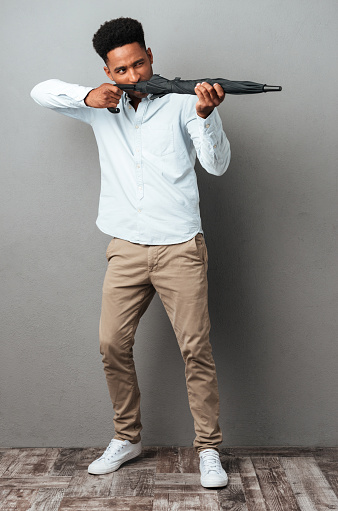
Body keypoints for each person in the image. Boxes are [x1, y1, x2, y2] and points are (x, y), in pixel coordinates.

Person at [30, 16, 231, 488]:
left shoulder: (186, 101)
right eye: (121, 70)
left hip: (180, 245)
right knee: (110, 343)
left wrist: (206, 117)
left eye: (139, 64)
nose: (133, 77)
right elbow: (40, 90)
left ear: (151, 57)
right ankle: (127, 437)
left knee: (195, 349)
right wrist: (86, 96)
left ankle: (208, 450)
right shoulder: (102, 105)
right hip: (125, 247)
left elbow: (217, 166)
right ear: (108, 70)